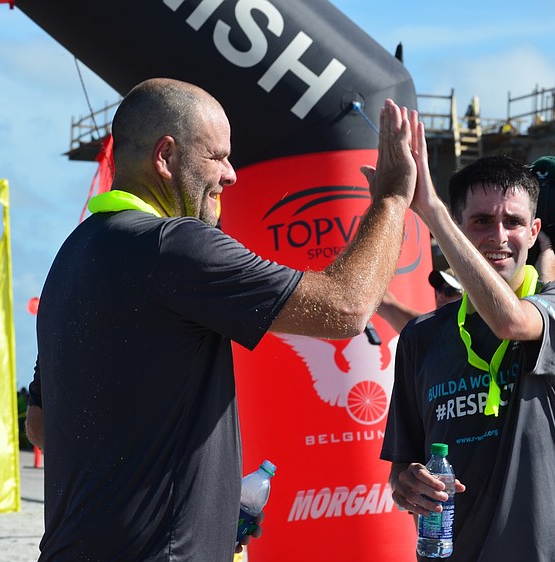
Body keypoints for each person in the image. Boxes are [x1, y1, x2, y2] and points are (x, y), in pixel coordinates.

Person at [27, 78, 418, 561]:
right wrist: (392, 200)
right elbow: (346, 307)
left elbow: (42, 426)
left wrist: (197, 498)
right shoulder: (174, 245)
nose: (231, 175)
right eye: (216, 157)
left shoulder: (71, 256)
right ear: (166, 157)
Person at [381, 117, 555, 560]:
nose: (499, 237)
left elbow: (511, 323)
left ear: (534, 233)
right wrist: (408, 486)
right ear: (458, 231)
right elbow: (402, 468)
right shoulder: (421, 338)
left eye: (513, 222)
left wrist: (432, 209)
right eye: (480, 221)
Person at [376, 266, 463, 333]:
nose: (440, 296)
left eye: (449, 291)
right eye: (439, 290)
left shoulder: (465, 328)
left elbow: (389, 307)